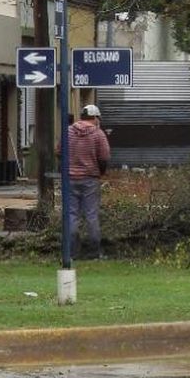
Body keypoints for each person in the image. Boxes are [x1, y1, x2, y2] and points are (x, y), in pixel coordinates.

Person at [66, 103, 111, 260]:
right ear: (95, 118)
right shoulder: (98, 134)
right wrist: (101, 172)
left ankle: (70, 253)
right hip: (90, 179)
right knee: (91, 215)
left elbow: (59, 151)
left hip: (70, 179)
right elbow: (104, 157)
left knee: (71, 215)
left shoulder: (68, 131)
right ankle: (94, 253)